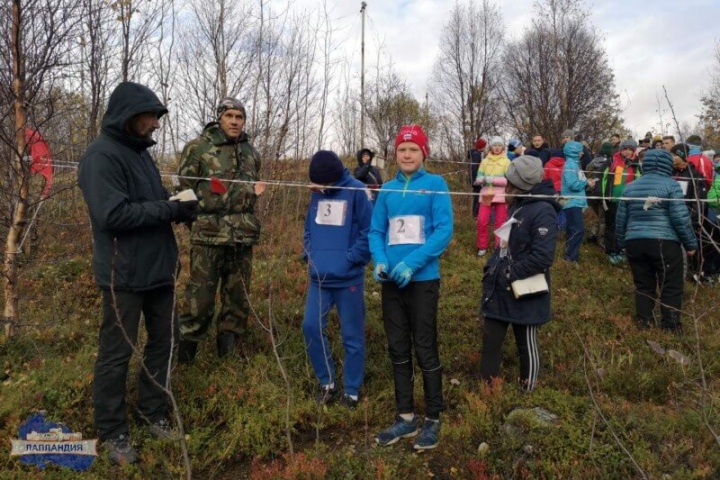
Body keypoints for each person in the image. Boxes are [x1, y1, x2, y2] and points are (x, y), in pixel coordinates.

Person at [78, 82, 198, 465]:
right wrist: (168, 210)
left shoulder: (141, 156)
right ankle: (113, 432)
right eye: (150, 117)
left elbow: (152, 202)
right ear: (129, 116)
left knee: (164, 343)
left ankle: (153, 410)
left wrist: (179, 204)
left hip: (160, 270)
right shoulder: (100, 157)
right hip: (124, 275)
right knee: (117, 354)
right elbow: (113, 215)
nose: (155, 125)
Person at [370, 124, 453, 450]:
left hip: (422, 280)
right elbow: (376, 231)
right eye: (402, 150)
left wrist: (412, 263)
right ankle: (405, 418)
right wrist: (379, 260)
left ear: (423, 153)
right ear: (396, 154)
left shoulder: (435, 184)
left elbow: (443, 231)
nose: (407, 154)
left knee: (425, 346)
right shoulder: (388, 189)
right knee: (397, 348)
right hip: (392, 282)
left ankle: (433, 417)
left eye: (413, 149)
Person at [176, 97, 265, 362]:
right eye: (230, 116)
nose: (235, 122)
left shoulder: (251, 153)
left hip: (242, 236)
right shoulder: (198, 148)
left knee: (237, 298)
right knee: (199, 297)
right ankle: (185, 355)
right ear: (219, 118)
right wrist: (198, 223)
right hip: (208, 235)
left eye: (240, 117)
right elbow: (184, 189)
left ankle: (229, 353)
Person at [480, 155, 560, 391]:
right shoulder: (519, 206)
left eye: (509, 181)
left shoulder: (543, 210)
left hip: (526, 291)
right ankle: (487, 394)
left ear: (521, 184)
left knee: (526, 343)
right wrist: (493, 267)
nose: (506, 185)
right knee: (490, 342)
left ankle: (528, 391)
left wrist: (510, 273)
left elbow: (543, 257)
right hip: (499, 290)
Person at [302, 150, 373, 409]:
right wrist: (308, 255)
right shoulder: (317, 192)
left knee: (351, 335)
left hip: (348, 278)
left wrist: (352, 258)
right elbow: (309, 227)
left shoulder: (358, 190)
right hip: (319, 278)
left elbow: (369, 230)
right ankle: (327, 382)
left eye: (324, 184)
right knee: (310, 327)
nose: (320, 188)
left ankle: (351, 390)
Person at [615, 149, 697, 332]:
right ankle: (671, 326)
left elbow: (620, 220)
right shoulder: (671, 185)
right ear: (668, 165)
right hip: (664, 242)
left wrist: (622, 244)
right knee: (671, 284)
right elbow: (680, 218)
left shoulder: (631, 186)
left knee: (643, 285)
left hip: (635, 242)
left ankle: (644, 322)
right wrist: (691, 244)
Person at [602, 139, 641, 264]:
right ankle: (610, 251)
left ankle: (619, 250)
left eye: (631, 149)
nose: (628, 152)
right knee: (611, 226)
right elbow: (603, 179)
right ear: (621, 149)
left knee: (623, 226)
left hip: (628, 201)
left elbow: (639, 181)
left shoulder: (636, 165)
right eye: (626, 149)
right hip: (612, 200)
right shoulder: (612, 161)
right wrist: (604, 197)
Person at [474, 136, 510, 257]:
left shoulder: (507, 161)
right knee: (482, 221)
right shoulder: (485, 161)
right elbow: (478, 177)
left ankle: (499, 248)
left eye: (499, 145)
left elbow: (508, 181)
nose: (497, 147)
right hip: (486, 194)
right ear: (491, 147)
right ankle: (482, 247)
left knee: (500, 223)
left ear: (503, 147)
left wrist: (493, 180)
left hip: (501, 196)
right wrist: (479, 180)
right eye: (495, 145)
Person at [561, 140, 591, 263]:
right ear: (574, 152)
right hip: (572, 202)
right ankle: (569, 258)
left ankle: (572, 256)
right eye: (580, 151)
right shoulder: (570, 165)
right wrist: (587, 182)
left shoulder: (574, 164)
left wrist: (587, 183)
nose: (582, 153)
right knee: (578, 230)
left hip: (575, 202)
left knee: (573, 229)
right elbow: (573, 185)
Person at [586, 142, 613, 248]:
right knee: (603, 218)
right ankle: (600, 240)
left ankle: (593, 234)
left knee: (598, 216)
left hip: (591, 192)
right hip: (601, 192)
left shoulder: (593, 161)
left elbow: (587, 172)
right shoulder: (609, 163)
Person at [469, 137, 487, 218]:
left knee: (477, 196)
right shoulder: (476, 154)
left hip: (477, 179)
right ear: (481, 146)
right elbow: (474, 168)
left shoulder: (478, 154)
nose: (485, 147)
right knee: (477, 197)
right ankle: (475, 215)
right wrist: (476, 180)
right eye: (484, 146)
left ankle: (476, 214)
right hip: (476, 180)